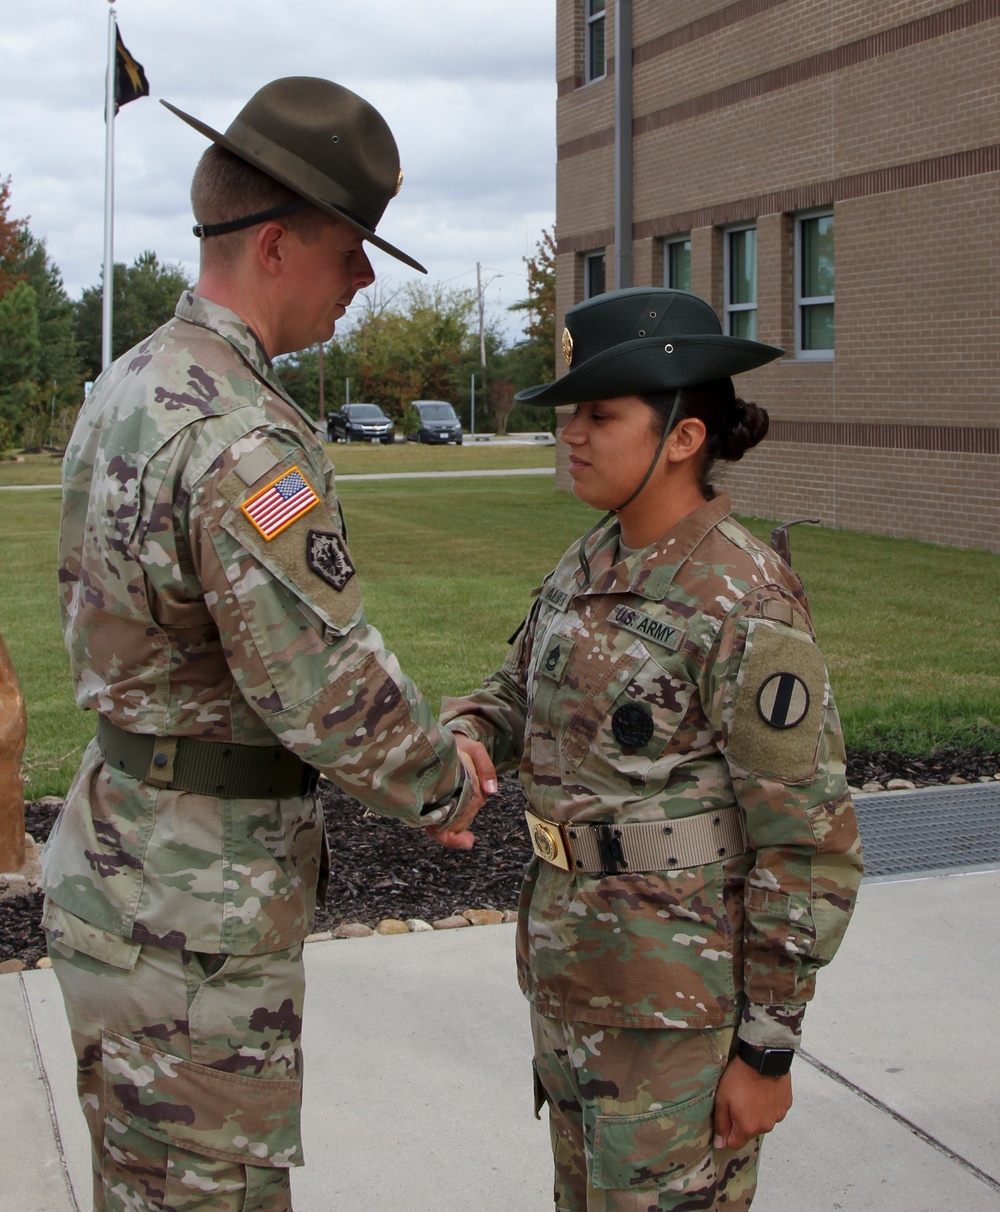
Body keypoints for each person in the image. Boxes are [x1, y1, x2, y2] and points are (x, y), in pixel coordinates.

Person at [43, 76, 493, 1212]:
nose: (366, 280)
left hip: (124, 874)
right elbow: (318, 673)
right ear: (280, 245)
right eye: (353, 250)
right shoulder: (241, 434)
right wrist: (443, 782)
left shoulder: (128, 385)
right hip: (197, 915)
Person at [442, 287, 863, 1211]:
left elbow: (808, 842)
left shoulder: (742, 597)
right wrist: (469, 736)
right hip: (572, 986)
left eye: (602, 415)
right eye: (572, 417)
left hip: (676, 1013)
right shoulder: (589, 560)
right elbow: (517, 689)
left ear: (682, 435)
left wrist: (768, 1049)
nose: (573, 435)